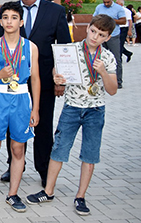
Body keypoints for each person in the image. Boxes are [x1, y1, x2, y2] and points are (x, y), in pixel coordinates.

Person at [26, 14, 118, 216]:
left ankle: (80, 196)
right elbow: (57, 71)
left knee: (90, 153)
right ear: (88, 28)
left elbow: (112, 90)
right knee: (59, 148)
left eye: (101, 35)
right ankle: (48, 191)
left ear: (108, 37)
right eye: (93, 31)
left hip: (95, 110)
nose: (94, 37)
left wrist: (103, 72)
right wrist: (56, 77)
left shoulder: (108, 57)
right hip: (72, 107)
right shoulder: (71, 49)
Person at [0, 0, 71, 186]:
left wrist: (61, 80)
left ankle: (44, 169)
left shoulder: (55, 11)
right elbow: (0, 43)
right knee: (13, 126)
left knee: (43, 125)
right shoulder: (8, 12)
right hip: (14, 81)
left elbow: (63, 47)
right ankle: (14, 165)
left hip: (45, 79)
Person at [0, 1, 40, 213]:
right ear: (0, 21)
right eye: (5, 17)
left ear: (21, 22)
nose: (9, 21)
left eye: (14, 17)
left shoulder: (31, 47)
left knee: (18, 148)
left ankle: (13, 193)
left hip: (21, 99)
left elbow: (35, 79)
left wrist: (35, 109)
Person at [92, 0, 125, 89]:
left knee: (116, 58)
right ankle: (100, 80)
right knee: (99, 58)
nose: (106, 4)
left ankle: (118, 81)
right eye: (104, 2)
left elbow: (123, 21)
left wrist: (109, 21)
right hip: (100, 36)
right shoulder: (99, 7)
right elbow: (94, 18)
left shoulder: (118, 8)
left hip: (113, 36)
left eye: (108, 2)